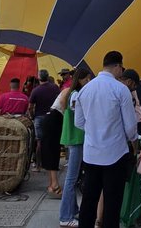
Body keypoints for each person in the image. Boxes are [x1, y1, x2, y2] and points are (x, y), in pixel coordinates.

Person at [74, 51, 138, 228]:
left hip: (91, 154)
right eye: (121, 68)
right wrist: (133, 142)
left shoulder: (86, 89)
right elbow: (131, 127)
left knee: (89, 201)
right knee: (112, 203)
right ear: (117, 66)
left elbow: (78, 122)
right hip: (115, 154)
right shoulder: (121, 90)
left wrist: (94, 129)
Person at [58, 66, 93, 228]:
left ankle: (72, 209)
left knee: (72, 178)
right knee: (71, 179)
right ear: (80, 79)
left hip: (72, 138)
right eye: (87, 79)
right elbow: (79, 113)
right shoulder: (76, 95)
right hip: (77, 139)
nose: (89, 82)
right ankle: (66, 217)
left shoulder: (71, 93)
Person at [30, 70, 61, 174]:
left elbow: (30, 106)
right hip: (53, 117)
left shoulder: (36, 90)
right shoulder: (55, 88)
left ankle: (38, 165)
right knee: (54, 141)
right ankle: (53, 165)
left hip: (39, 117)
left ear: (39, 78)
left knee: (39, 142)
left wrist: (32, 115)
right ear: (48, 77)